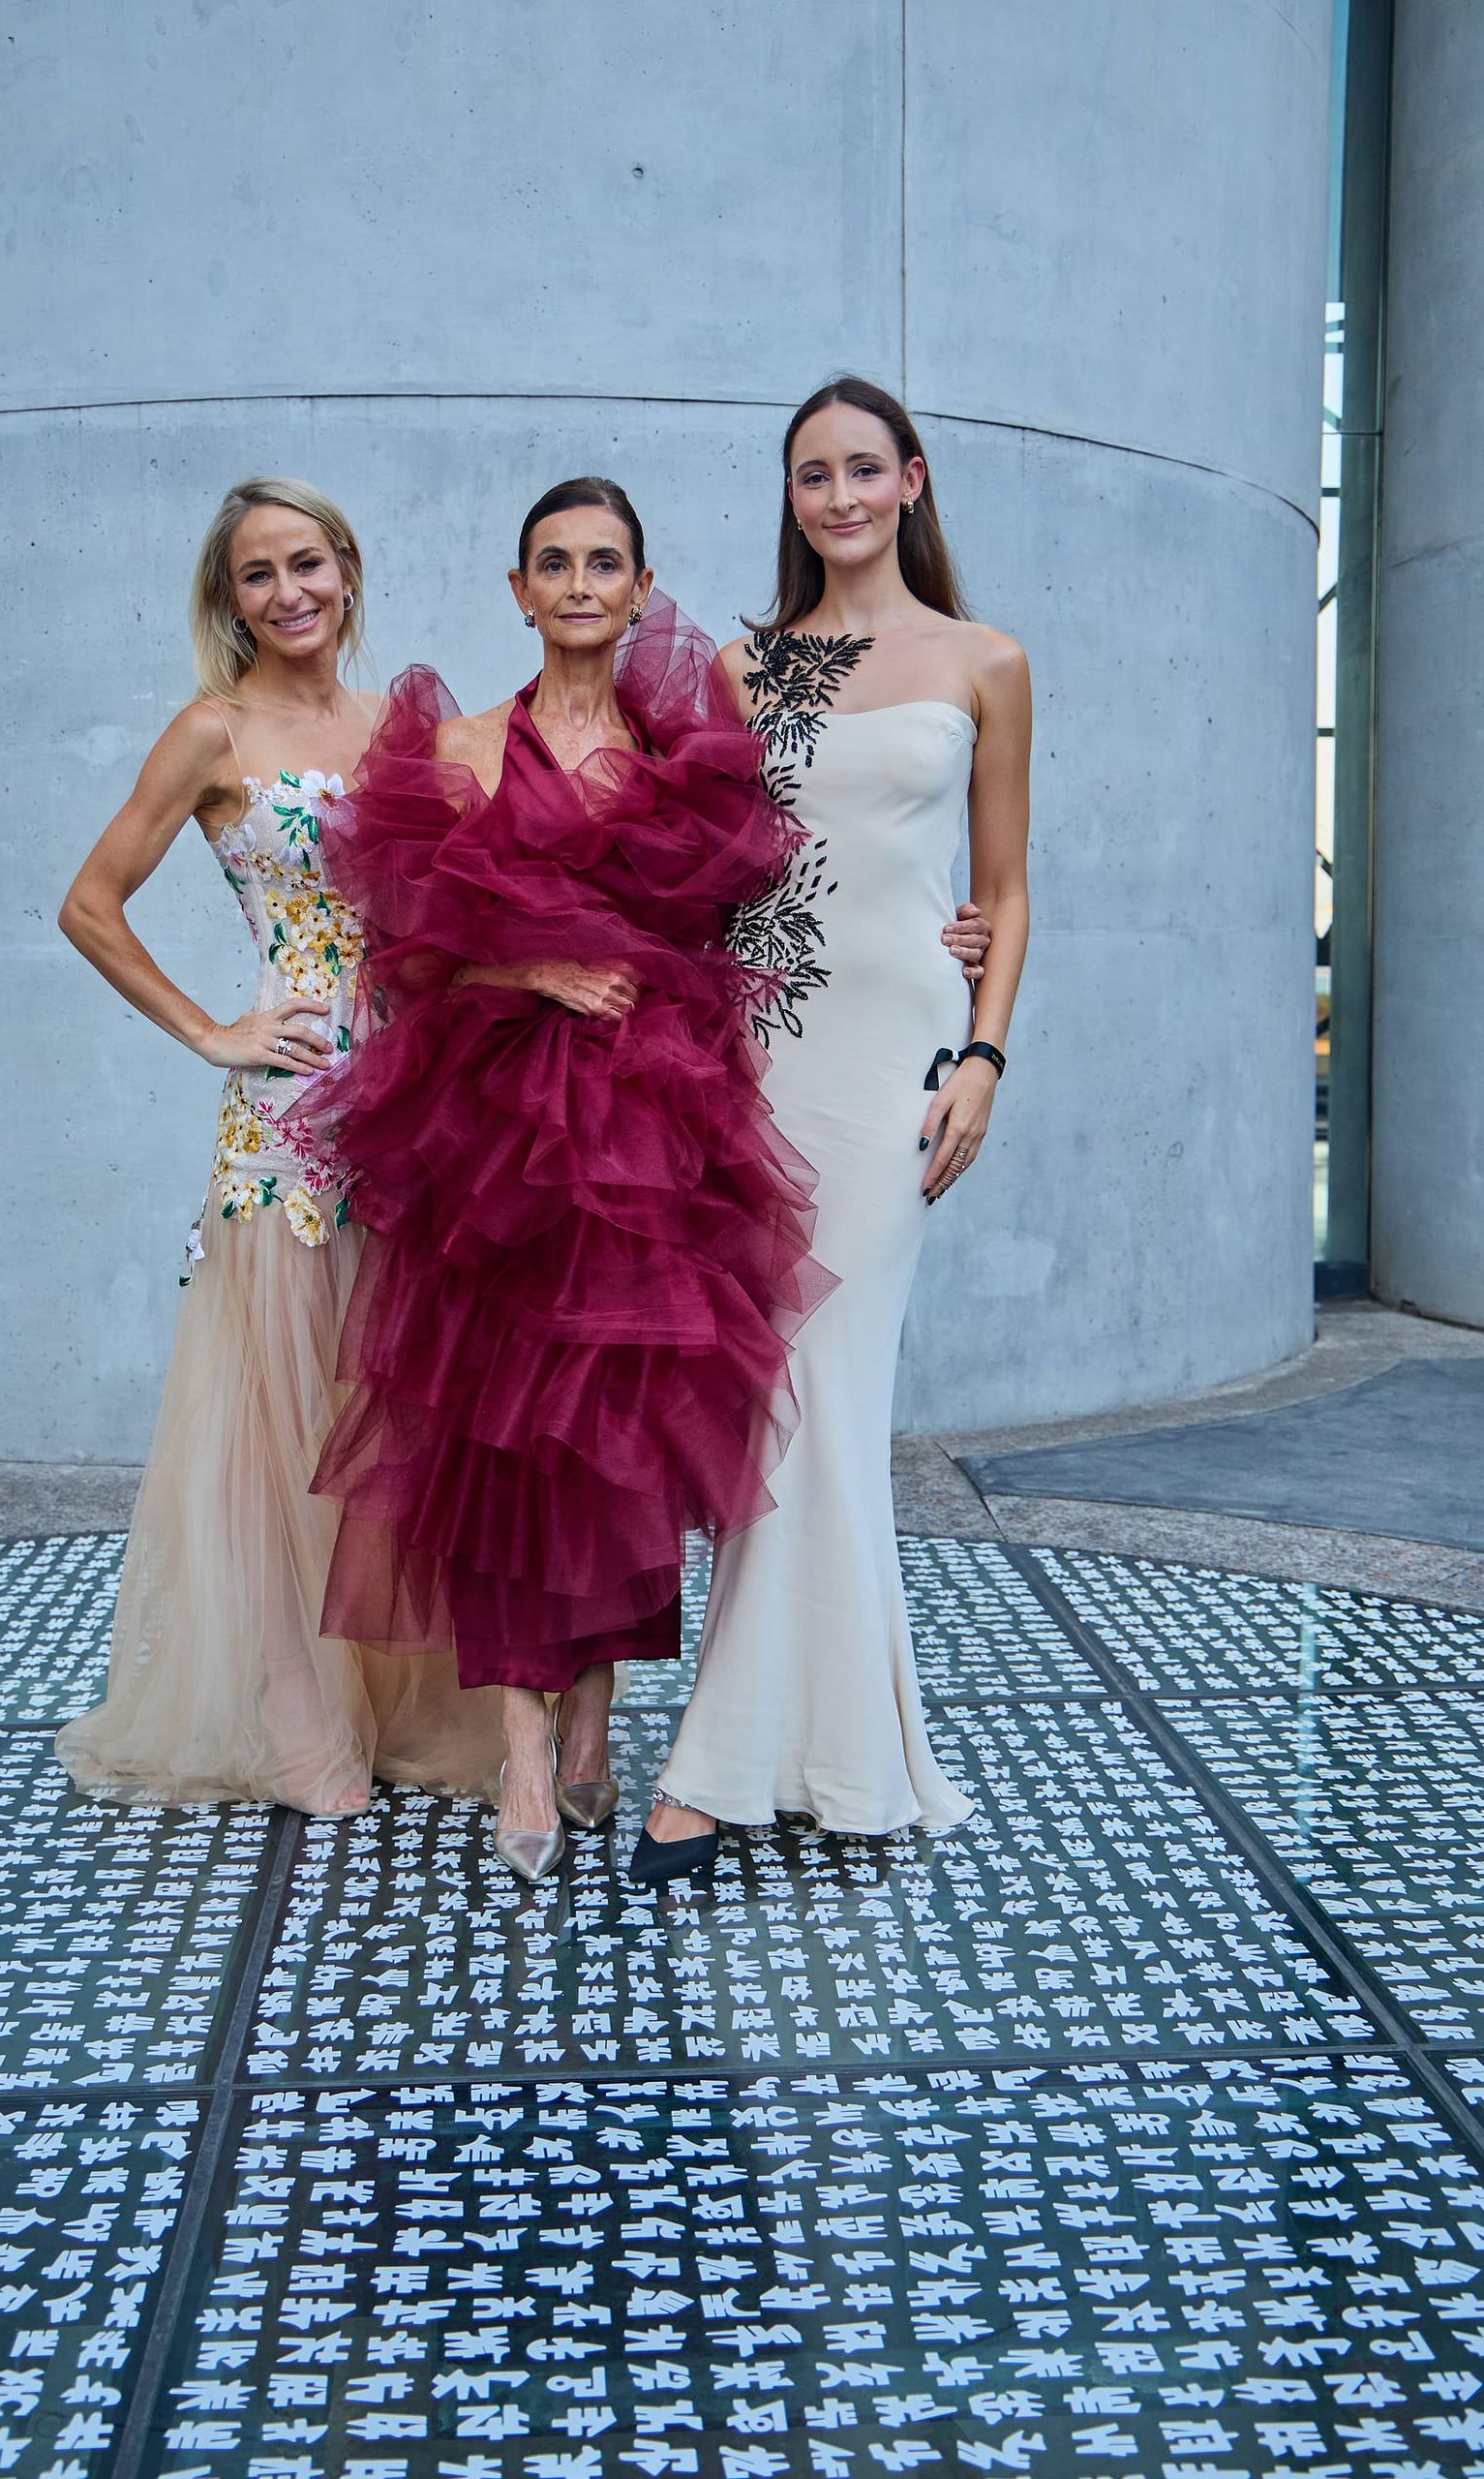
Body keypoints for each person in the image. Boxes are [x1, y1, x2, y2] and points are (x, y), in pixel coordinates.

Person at [289, 478, 828, 1881]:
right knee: (503, 1432)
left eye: (604, 563)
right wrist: (535, 967)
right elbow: (406, 951)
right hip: (499, 1139)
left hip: (654, 1130)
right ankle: (524, 1750)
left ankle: (592, 1721)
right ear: (520, 590)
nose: (580, 584)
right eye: (554, 563)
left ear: (640, 590)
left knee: (621, 1430)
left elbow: (724, 932)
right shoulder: (464, 749)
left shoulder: (679, 759)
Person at [54, 477, 500, 1815]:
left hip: (413, 1105)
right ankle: (301, 1725)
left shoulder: (400, 727)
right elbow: (90, 904)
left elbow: (487, 887)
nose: (288, 591)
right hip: (292, 1120)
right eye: (257, 574)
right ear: (230, 599)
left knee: (393, 1407)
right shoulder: (213, 729)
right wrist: (213, 1029)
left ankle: (393, 1698)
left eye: (307, 563)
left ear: (347, 571)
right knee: (278, 1420)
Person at [636, 376, 1031, 1881]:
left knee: (830, 1380)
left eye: (866, 469)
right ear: (792, 498)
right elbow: (702, 866)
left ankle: (718, 1762)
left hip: (898, 1068)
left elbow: (1008, 886)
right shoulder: (748, 669)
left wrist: (985, 1052)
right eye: (815, 475)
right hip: (765, 1050)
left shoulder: (986, 661)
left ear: (912, 481)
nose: (842, 496)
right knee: (777, 1393)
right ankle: (825, 1744)